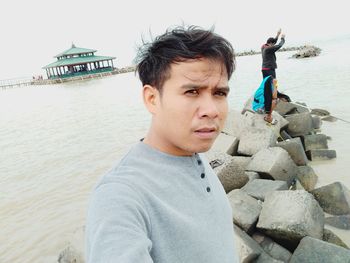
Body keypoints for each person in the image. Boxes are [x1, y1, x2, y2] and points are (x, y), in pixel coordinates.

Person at [85, 25, 239, 263]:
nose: (211, 111)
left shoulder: (192, 155)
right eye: (192, 92)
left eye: (219, 93)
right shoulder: (120, 196)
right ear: (152, 99)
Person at [261, 29, 291, 102]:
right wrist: (282, 38)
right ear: (270, 43)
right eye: (273, 44)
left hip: (264, 69)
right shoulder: (269, 48)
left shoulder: (263, 46)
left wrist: (277, 34)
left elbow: (273, 42)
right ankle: (276, 97)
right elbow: (279, 45)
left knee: (268, 85)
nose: (273, 45)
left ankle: (271, 97)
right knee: (274, 84)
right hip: (269, 69)